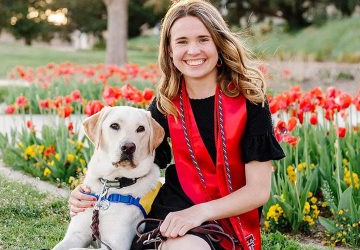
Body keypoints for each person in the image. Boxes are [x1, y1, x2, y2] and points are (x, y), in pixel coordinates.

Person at [69, 0, 285, 249]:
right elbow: (131, 164)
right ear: (169, 50)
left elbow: (258, 192)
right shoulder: (165, 104)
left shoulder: (249, 100)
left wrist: (198, 213)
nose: (193, 50)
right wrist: (90, 192)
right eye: (182, 41)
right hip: (174, 208)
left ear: (218, 43)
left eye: (203, 39)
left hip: (228, 213)